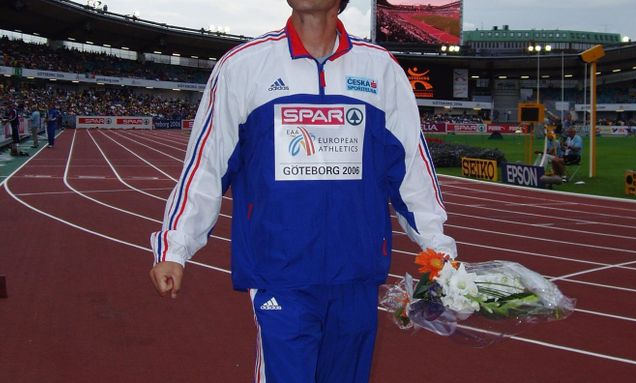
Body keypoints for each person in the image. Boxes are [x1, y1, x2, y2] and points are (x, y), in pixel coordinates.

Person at [149, 1, 457, 382]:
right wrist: (175, 246)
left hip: (355, 274)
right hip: (280, 272)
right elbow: (206, 166)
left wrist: (438, 249)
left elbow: (411, 170)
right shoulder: (244, 66)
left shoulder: (381, 70)